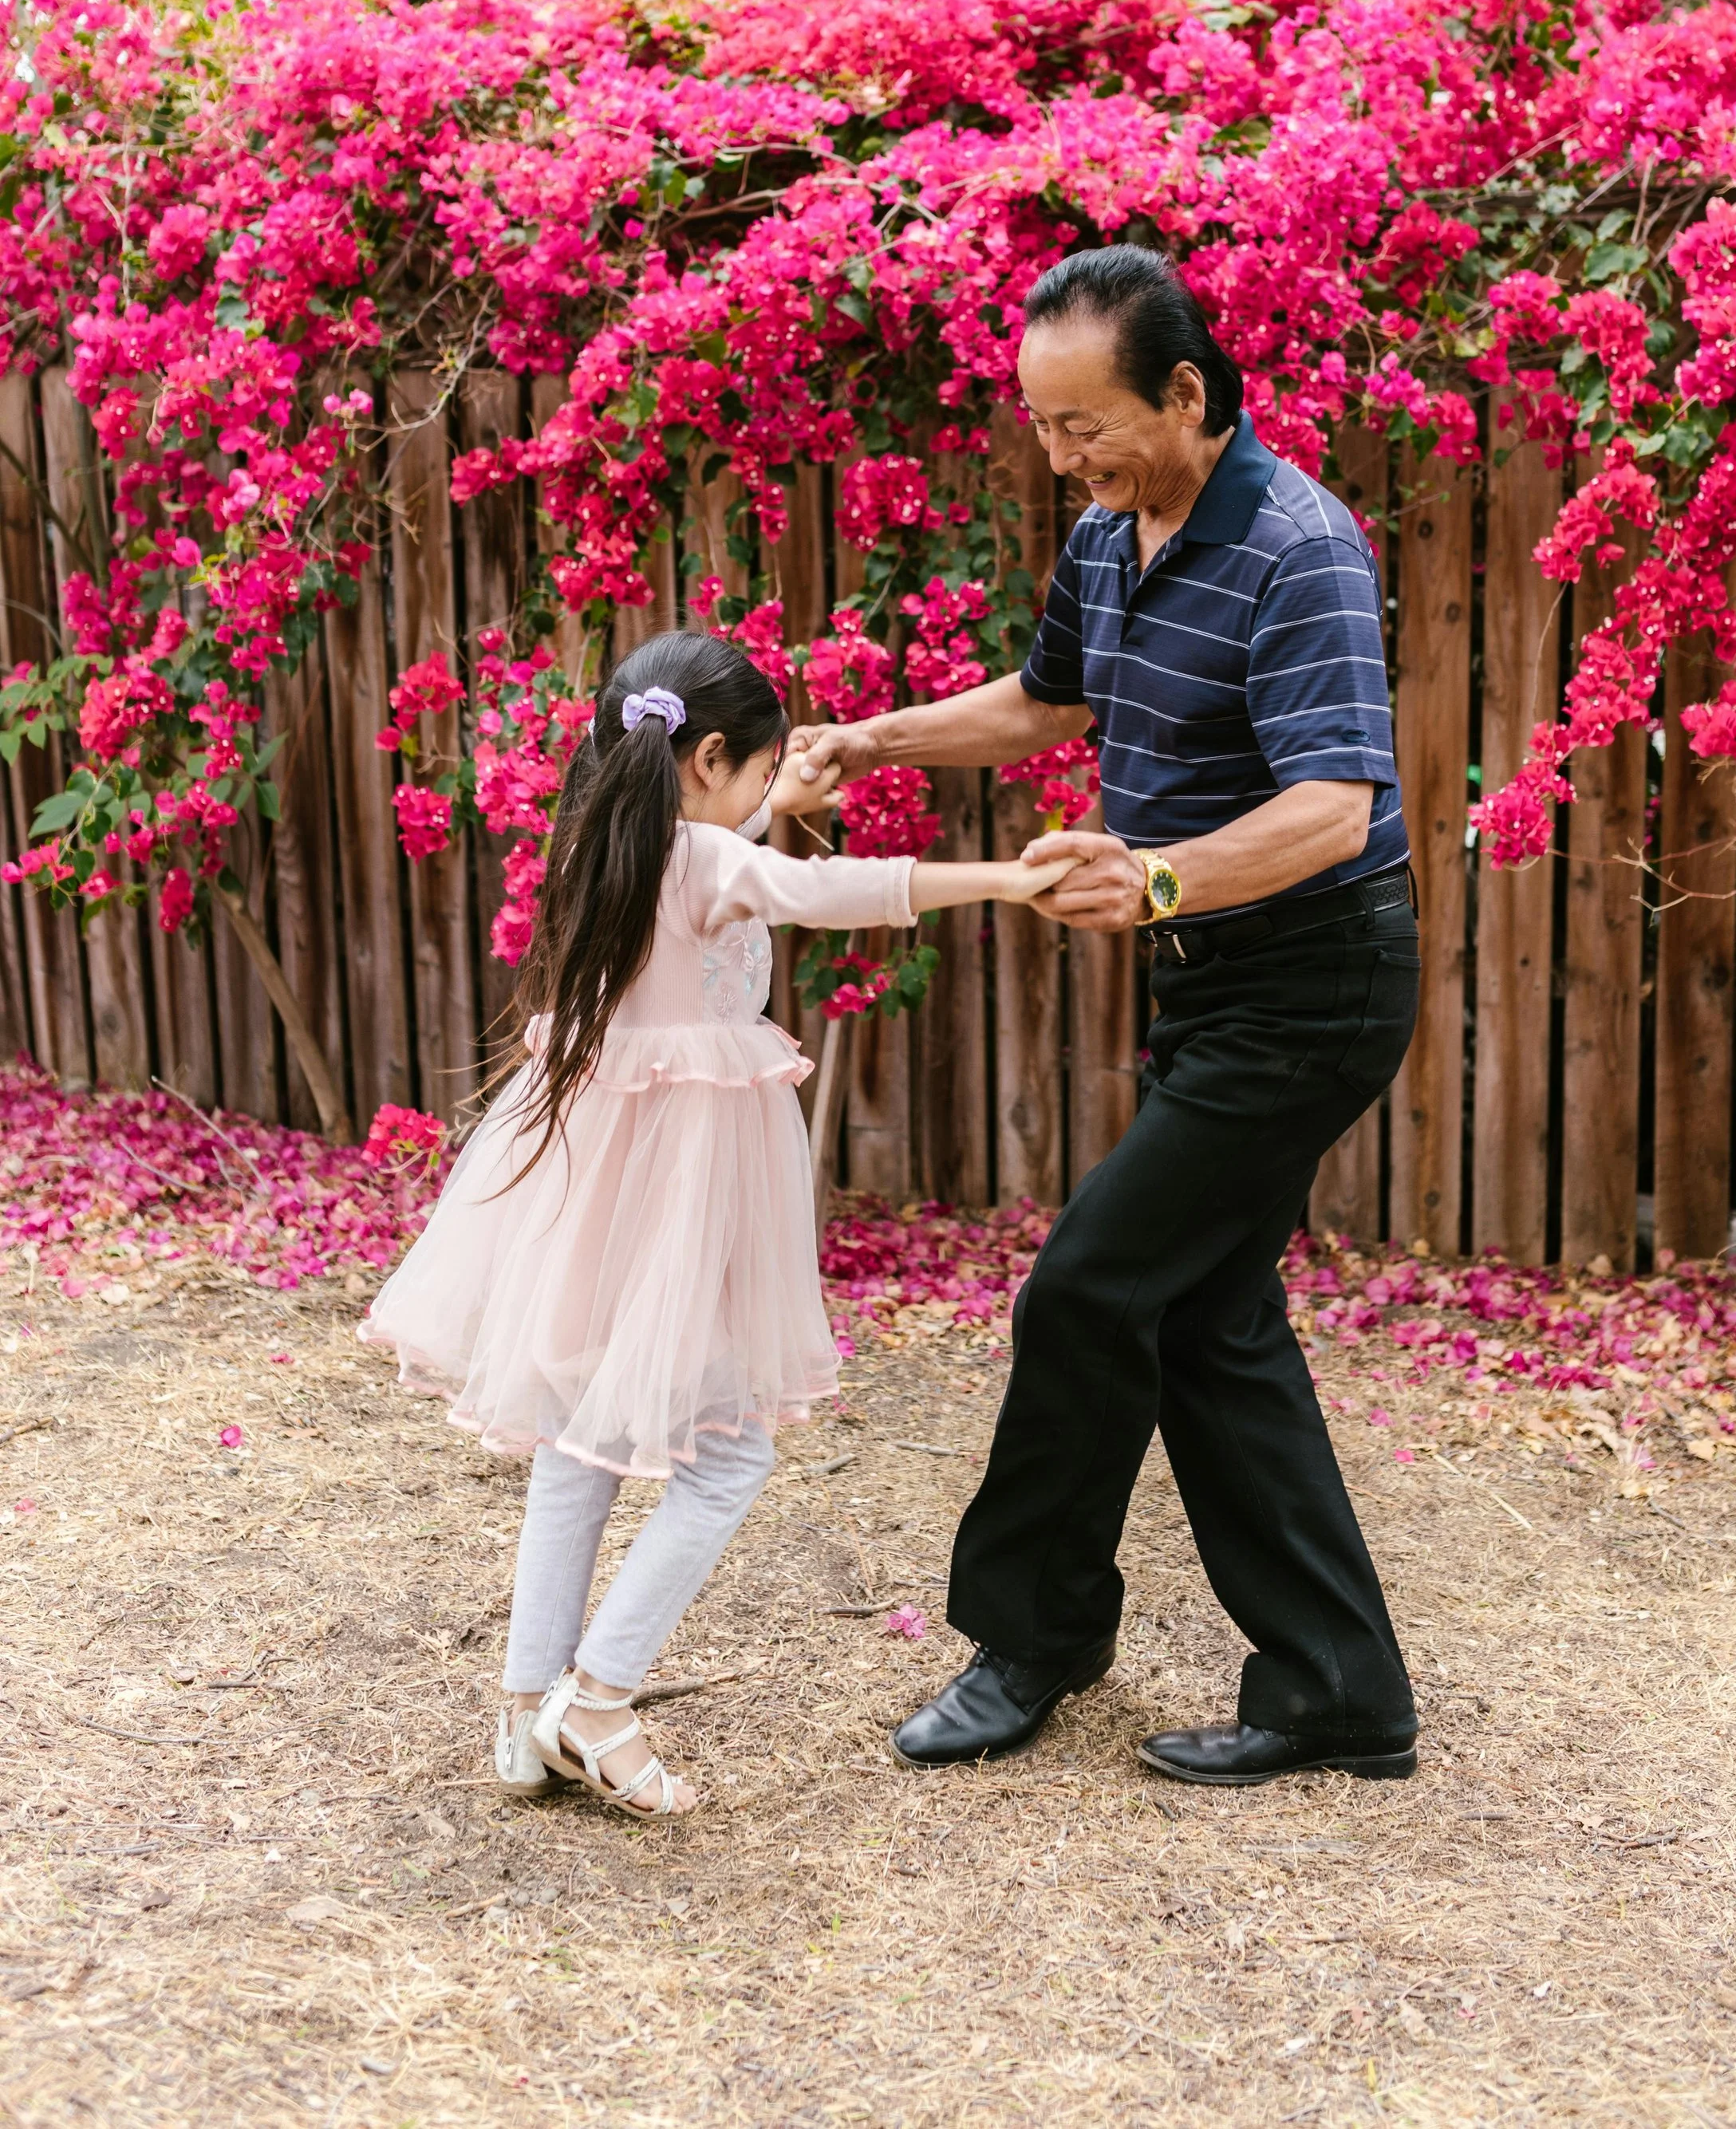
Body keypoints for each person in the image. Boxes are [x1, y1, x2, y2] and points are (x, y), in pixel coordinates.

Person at [790, 246, 1422, 1788]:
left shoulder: (1297, 546)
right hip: (1211, 981)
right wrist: (867, 736)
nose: (1061, 456)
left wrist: (1150, 883)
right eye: (1044, 425)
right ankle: (1339, 1685)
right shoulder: (1107, 534)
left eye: (1086, 425)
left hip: (1313, 985)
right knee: (1207, 1316)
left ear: (1187, 393)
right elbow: (1047, 702)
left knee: (1085, 1288)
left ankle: (1039, 1635)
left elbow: (1336, 810)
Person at [361, 629, 1075, 1822]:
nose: (766, 793)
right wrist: (1006, 878)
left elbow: (717, 853)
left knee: (580, 1437)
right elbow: (819, 888)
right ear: (704, 759)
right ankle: (594, 1696)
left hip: (594, 1180)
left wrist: (770, 800)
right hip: (679, 1185)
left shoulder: (603, 833)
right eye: (758, 771)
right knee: (728, 1451)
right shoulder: (702, 857)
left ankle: (526, 1701)